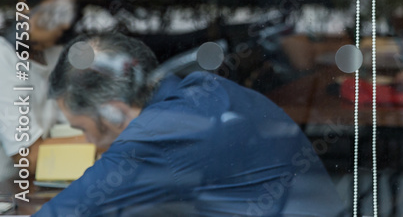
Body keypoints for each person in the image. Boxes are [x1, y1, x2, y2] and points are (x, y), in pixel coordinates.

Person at [37, 32, 346, 216]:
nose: (89, 142)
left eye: (82, 128)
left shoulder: (158, 136)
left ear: (115, 111)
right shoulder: (200, 89)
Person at [0, 0, 78, 182]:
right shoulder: (3, 57)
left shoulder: (53, 54)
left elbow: (77, 123)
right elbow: (31, 157)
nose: (65, 23)